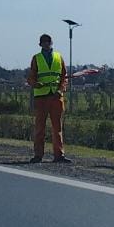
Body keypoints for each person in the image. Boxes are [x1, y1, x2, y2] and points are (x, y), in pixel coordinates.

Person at [27, 33, 71, 163]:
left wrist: (60, 90)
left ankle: (59, 155)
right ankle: (38, 155)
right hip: (41, 97)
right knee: (40, 127)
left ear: (51, 43)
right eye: (44, 42)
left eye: (48, 41)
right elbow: (30, 77)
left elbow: (64, 77)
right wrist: (36, 84)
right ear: (40, 44)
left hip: (56, 97)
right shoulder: (36, 58)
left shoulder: (59, 57)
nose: (46, 44)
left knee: (57, 127)